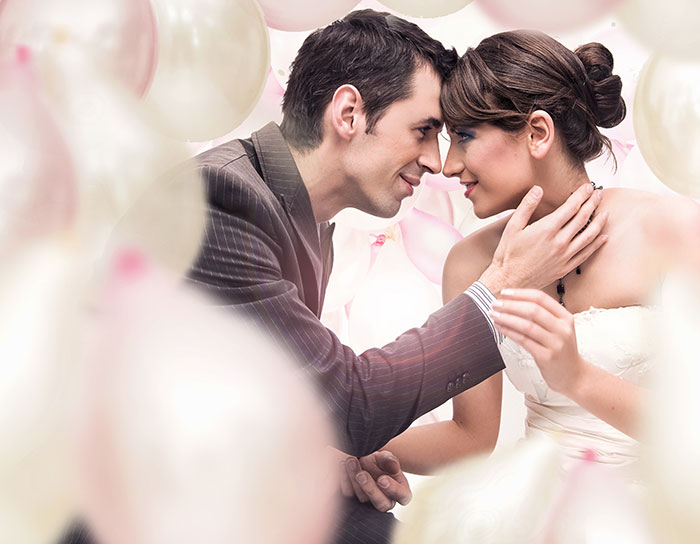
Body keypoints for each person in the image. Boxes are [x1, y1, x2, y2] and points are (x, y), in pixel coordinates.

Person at [58, 11, 607, 544]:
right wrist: (502, 285)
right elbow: (350, 402)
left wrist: (331, 456)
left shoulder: (296, 212)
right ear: (348, 114)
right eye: (423, 130)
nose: (437, 162)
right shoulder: (220, 202)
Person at [346, 29, 700, 489]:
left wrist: (577, 377)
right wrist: (343, 447)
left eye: (464, 136)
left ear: (538, 133)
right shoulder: (470, 263)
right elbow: (469, 439)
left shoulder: (671, 228)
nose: (448, 166)